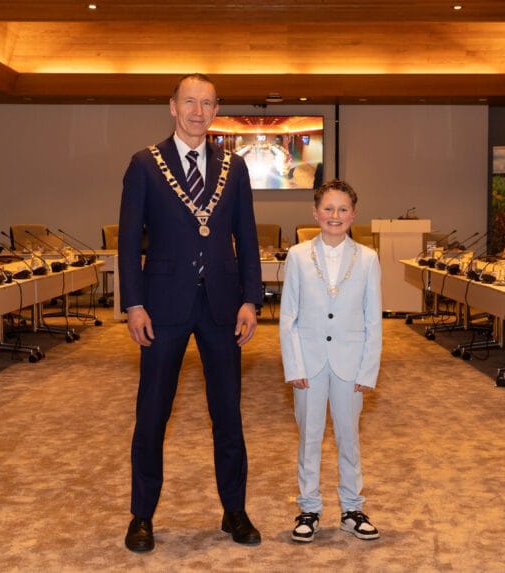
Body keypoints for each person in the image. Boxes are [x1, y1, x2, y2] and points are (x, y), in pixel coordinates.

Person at [118, 73, 264, 553]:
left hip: (222, 304)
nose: (198, 111)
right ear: (172, 106)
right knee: (152, 414)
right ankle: (142, 516)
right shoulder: (144, 164)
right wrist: (133, 303)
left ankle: (234, 510)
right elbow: (126, 242)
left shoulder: (234, 166)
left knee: (227, 413)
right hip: (162, 306)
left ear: (217, 109)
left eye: (207, 102)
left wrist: (251, 298)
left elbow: (247, 234)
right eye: (190, 102)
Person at [278, 179, 382, 543]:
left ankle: (352, 508)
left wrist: (368, 370)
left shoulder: (368, 259)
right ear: (315, 213)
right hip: (309, 361)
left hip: (350, 364)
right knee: (309, 437)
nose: (334, 216)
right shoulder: (297, 255)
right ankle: (309, 508)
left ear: (353, 215)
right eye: (327, 208)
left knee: (348, 437)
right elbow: (287, 316)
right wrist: (294, 366)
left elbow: (373, 320)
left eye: (342, 209)